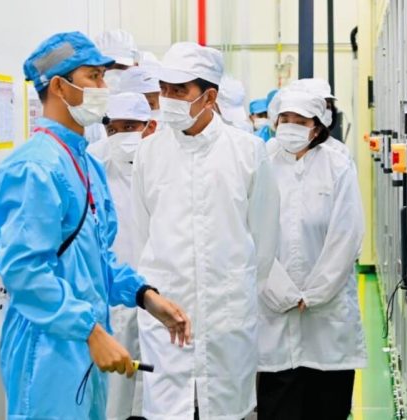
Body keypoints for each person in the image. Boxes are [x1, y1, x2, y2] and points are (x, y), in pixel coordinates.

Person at [0, 32, 190, 419]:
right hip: (46, 351)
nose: (103, 88)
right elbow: (25, 271)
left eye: (103, 77)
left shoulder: (86, 164)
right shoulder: (34, 168)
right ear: (59, 87)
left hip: (83, 345)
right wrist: (90, 331)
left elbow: (96, 260)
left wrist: (145, 295)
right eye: (93, 77)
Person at [132, 41, 280, 420]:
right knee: (168, 410)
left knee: (225, 409)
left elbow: (264, 240)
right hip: (166, 315)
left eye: (179, 90)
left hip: (226, 317)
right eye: (164, 89)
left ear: (209, 97)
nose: (167, 99)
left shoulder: (248, 152)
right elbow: (141, 235)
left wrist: (234, 289)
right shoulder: (148, 153)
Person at [257, 89, 367, 420]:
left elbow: (347, 234)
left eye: (300, 121)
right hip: (274, 307)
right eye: (285, 119)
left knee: (327, 403)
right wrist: (279, 290)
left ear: (317, 127)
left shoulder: (338, 164)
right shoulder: (262, 162)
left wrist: (315, 293)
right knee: (279, 403)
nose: (290, 126)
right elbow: (252, 232)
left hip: (327, 311)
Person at [88, 92, 157, 420]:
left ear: (149, 127)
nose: (119, 136)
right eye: (112, 129)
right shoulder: (96, 170)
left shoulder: (166, 169)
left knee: (158, 399)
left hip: (158, 300)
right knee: (114, 403)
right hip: (116, 301)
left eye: (129, 127)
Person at [267, 78, 351, 158]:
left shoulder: (338, 152)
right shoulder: (272, 151)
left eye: (327, 106)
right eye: (285, 121)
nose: (322, 111)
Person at [85, 29, 138, 144]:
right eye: (107, 68)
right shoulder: (87, 114)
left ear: (136, 65)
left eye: (121, 67)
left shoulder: (149, 107)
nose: (114, 74)